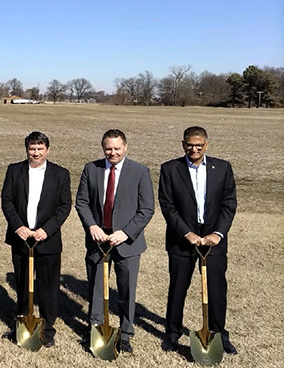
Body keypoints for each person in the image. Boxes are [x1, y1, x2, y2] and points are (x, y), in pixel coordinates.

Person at [158, 126, 237, 354]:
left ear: (206, 145)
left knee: (216, 288)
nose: (194, 149)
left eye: (199, 145)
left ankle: (218, 334)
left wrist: (217, 234)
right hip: (181, 239)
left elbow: (229, 205)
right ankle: (172, 333)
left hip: (213, 240)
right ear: (183, 144)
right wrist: (187, 233)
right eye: (190, 144)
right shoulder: (171, 169)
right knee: (178, 287)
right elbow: (168, 206)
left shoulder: (222, 168)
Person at [75, 129, 154, 353]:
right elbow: (81, 202)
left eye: (117, 148)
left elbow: (147, 209)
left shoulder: (139, 171)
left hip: (127, 243)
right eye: (108, 148)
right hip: (98, 240)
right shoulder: (92, 169)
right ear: (103, 148)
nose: (113, 152)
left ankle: (126, 332)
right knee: (96, 288)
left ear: (125, 147)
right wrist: (92, 226)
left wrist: (126, 233)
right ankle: (96, 328)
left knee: (126, 290)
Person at [0, 131, 71, 347]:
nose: (36, 153)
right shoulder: (15, 171)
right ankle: (23, 324)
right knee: (23, 285)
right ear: (26, 149)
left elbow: (64, 206)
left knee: (48, 288)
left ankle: (48, 329)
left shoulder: (60, 174)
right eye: (32, 149)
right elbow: (7, 201)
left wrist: (46, 230)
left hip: (47, 241)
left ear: (47, 150)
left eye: (40, 149)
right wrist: (18, 227)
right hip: (21, 238)